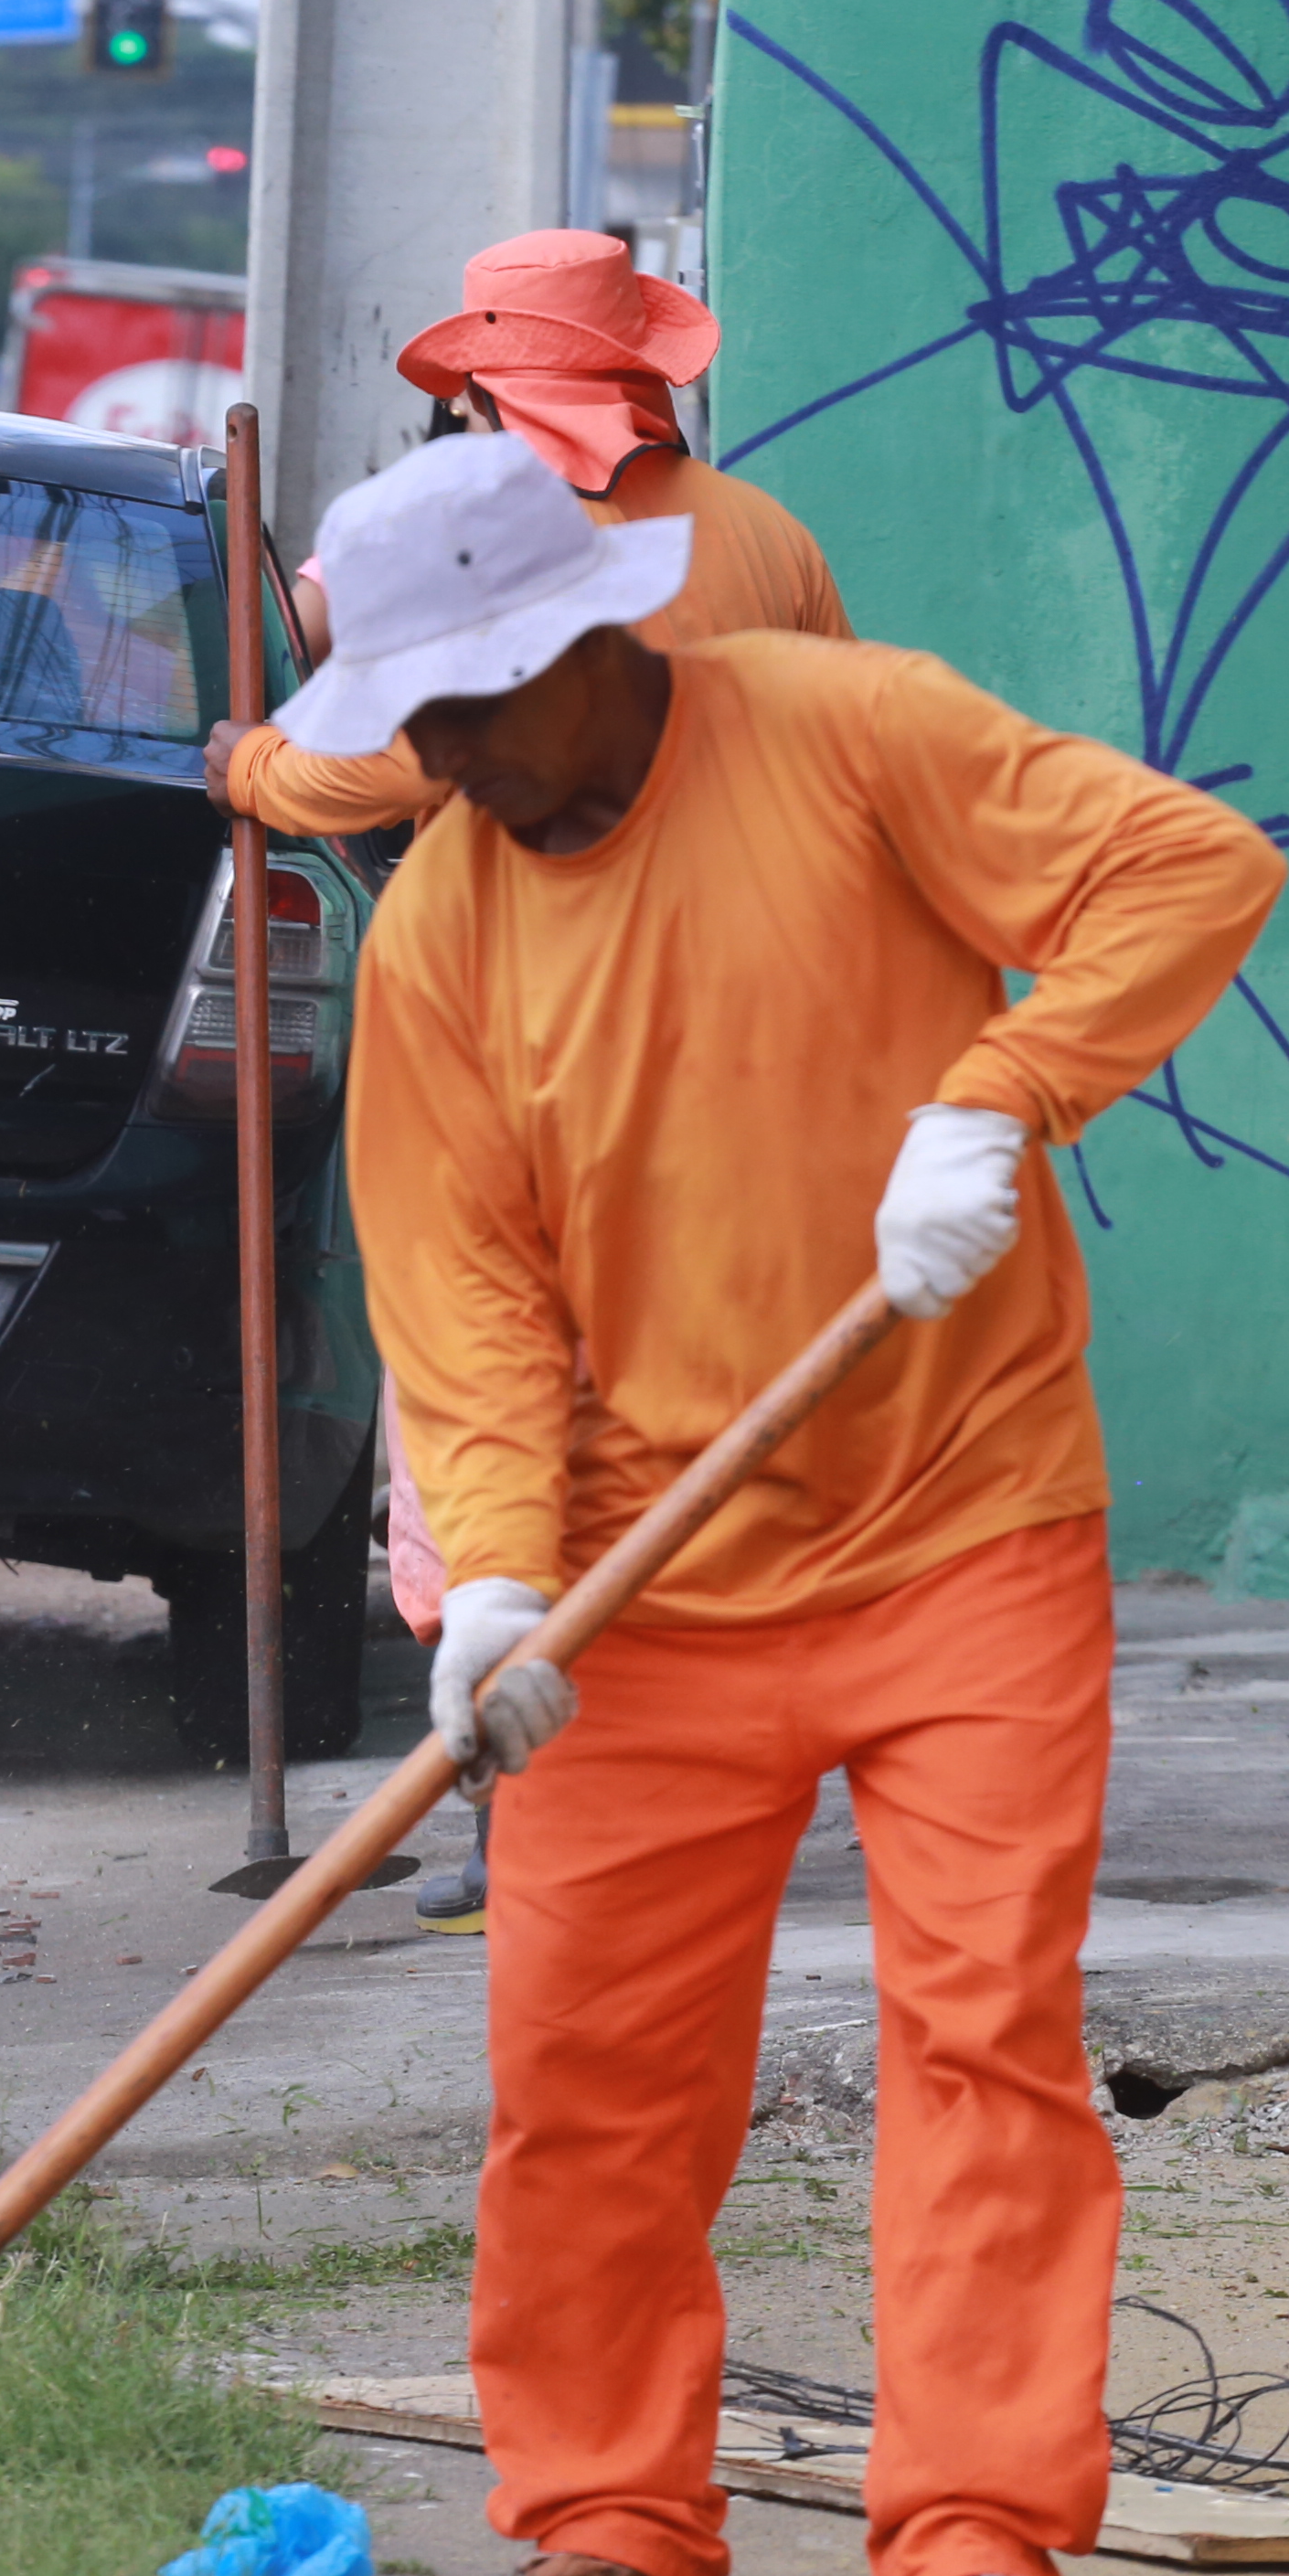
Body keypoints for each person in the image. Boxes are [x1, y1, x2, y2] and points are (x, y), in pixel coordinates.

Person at [308, 432, 1279, 2576]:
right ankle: (608, 2541)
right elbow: (458, 1304)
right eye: (404, 722)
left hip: (962, 1522)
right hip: (642, 1588)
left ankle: (974, 2565)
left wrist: (1006, 1092)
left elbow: (1185, 862)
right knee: (587, 2082)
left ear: (586, 639)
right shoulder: (438, 927)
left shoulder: (846, 736)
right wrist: (498, 1593)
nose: (429, 762)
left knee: (983, 2050)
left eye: (462, 710)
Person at [199, 229, 851, 1932]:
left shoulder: (511, 542)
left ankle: (531, 1809)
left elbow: (387, 757)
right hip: (745, 1054)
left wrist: (249, 763)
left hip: (530, 1050)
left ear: (497, 390)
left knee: (483, 1407)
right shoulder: (767, 537)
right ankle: (686, 1788)